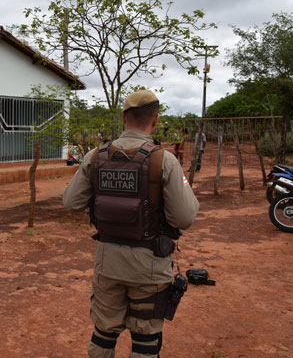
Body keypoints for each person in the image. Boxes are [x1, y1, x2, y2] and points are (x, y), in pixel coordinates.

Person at [62, 90, 199, 358]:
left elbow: (71, 202)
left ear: (124, 118)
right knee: (145, 340)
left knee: (102, 336)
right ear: (156, 120)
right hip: (150, 266)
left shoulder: (96, 155)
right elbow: (184, 218)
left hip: (107, 263)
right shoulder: (164, 160)